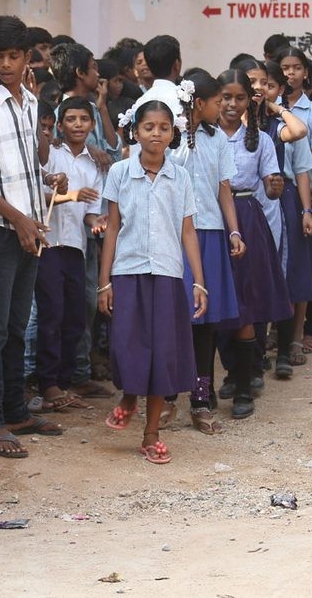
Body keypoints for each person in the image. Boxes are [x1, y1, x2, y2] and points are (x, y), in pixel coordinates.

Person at [0, 15, 68, 458]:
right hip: (1, 232)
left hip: (29, 229)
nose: (6, 64)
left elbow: (23, 165)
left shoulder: (27, 103)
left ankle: (14, 410)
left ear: (27, 58)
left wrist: (49, 180)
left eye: (14, 56)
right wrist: (20, 220)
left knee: (15, 325)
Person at [99, 96, 207, 464]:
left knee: (162, 352)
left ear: (173, 133)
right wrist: (104, 282)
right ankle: (129, 396)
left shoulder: (181, 177)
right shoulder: (119, 173)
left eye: (163, 128)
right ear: (135, 131)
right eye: (149, 127)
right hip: (127, 271)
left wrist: (199, 282)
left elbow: (188, 231)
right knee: (128, 345)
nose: (156, 134)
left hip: (167, 272)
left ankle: (151, 433)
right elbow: (111, 229)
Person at [168, 71, 245, 434]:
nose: (223, 108)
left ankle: (202, 395)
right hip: (175, 238)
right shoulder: (170, 137)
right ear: (199, 103)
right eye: (218, 102)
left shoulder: (217, 140)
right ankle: (167, 396)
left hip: (211, 234)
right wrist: (183, 140)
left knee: (206, 320)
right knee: (175, 317)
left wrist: (233, 231)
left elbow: (224, 188)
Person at [215, 69, 294, 418]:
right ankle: (231, 369)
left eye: (240, 98)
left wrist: (275, 186)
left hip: (248, 216)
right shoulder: (202, 137)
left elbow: (271, 182)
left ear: (250, 101)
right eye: (226, 98)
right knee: (219, 300)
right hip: (211, 219)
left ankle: (245, 382)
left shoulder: (260, 139)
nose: (232, 104)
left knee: (246, 301)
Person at [34, 97, 106, 411]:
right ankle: (48, 383)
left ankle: (64, 381)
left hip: (75, 245)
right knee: (52, 313)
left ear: (92, 125)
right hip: (48, 244)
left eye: (84, 119)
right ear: (61, 125)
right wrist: (72, 194)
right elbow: (38, 192)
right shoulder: (51, 155)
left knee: (74, 316)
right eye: (71, 119)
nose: (78, 125)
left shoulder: (95, 163)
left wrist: (98, 223)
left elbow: (91, 211)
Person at [277, 47, 312, 359]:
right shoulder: (268, 108)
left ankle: (298, 335)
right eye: (284, 68)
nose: (290, 74)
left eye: (296, 67)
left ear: (306, 72)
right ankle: (275, 333)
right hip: (271, 194)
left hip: (300, 192)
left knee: (300, 267)